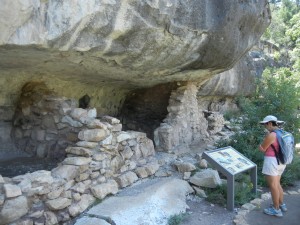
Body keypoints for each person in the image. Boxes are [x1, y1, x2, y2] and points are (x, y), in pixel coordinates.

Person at [258, 115, 287, 217]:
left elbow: (263, 149)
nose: (265, 127)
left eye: (265, 124)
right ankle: (281, 204)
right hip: (282, 162)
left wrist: (259, 146)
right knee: (277, 184)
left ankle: (276, 209)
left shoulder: (272, 135)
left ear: (270, 123)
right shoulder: (282, 133)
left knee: (273, 186)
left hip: (272, 162)